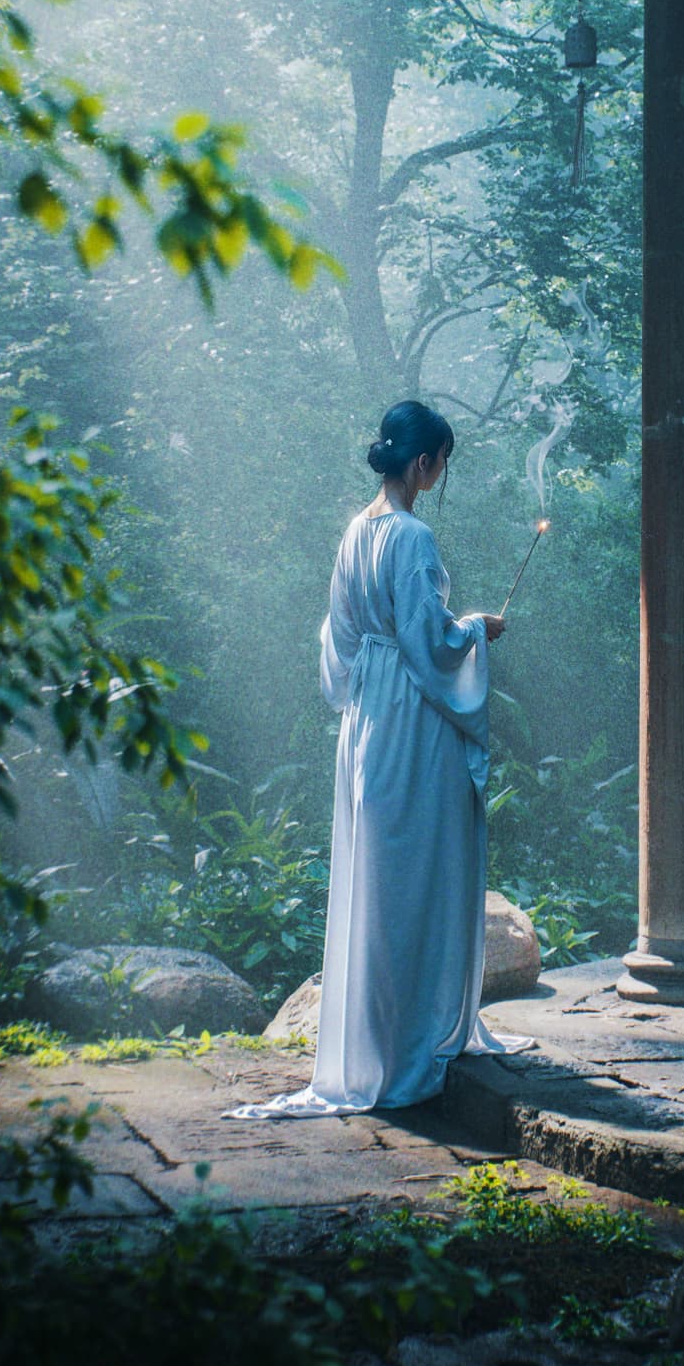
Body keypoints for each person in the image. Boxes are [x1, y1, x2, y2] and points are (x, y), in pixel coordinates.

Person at [225, 400, 534, 1120]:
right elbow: (431, 643)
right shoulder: (412, 536)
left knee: (379, 870)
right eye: (441, 466)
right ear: (423, 463)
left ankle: (375, 1040)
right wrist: (478, 631)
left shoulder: (352, 532)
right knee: (417, 868)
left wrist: (367, 684)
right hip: (412, 716)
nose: (438, 478)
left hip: (366, 715)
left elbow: (336, 642)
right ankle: (409, 1043)